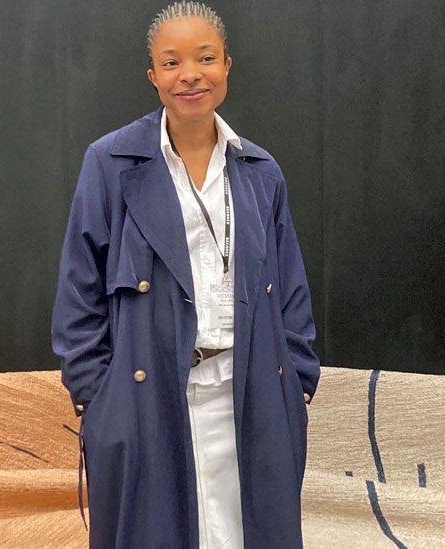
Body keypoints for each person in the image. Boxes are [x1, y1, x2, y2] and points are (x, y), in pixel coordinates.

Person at [51, 2, 320, 547]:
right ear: (153, 77)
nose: (190, 74)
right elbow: (79, 294)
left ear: (227, 65)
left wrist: (298, 382)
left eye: (205, 58)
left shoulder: (259, 170)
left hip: (251, 394)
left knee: (246, 533)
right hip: (146, 396)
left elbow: (290, 288)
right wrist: (98, 400)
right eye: (171, 63)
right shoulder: (110, 163)